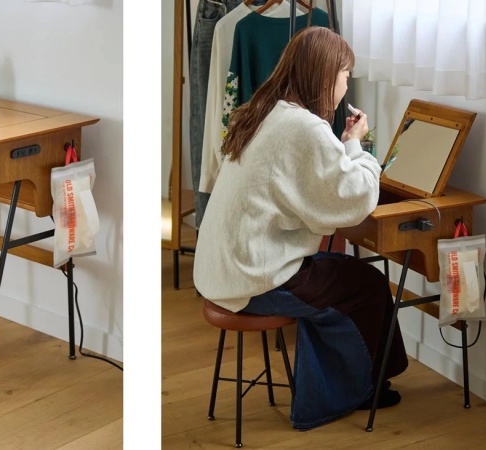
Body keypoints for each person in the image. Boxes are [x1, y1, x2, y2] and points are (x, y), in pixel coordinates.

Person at [193, 26, 407, 431]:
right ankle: (357, 392)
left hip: (221, 266)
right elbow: (353, 196)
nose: (347, 85)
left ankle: (360, 383)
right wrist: (356, 143)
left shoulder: (266, 109)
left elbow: (313, 190)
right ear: (326, 76)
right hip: (253, 277)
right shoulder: (304, 128)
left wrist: (341, 144)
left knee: (341, 275)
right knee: (367, 284)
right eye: (345, 75)